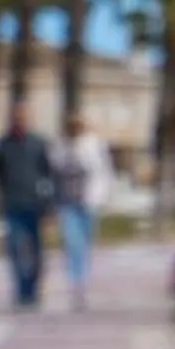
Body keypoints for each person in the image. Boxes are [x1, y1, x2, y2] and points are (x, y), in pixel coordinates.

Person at [0, 104, 55, 310]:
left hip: (35, 203)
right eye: (15, 118)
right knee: (15, 248)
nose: (19, 122)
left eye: (22, 118)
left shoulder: (39, 143)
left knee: (35, 249)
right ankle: (21, 289)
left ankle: (33, 287)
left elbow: (47, 175)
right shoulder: (3, 144)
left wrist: (48, 205)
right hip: (13, 203)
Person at [51, 114, 114, 310]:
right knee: (73, 244)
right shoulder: (59, 147)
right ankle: (75, 285)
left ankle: (82, 282)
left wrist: (102, 198)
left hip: (87, 202)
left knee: (85, 244)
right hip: (67, 203)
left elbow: (103, 172)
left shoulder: (93, 145)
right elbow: (53, 172)